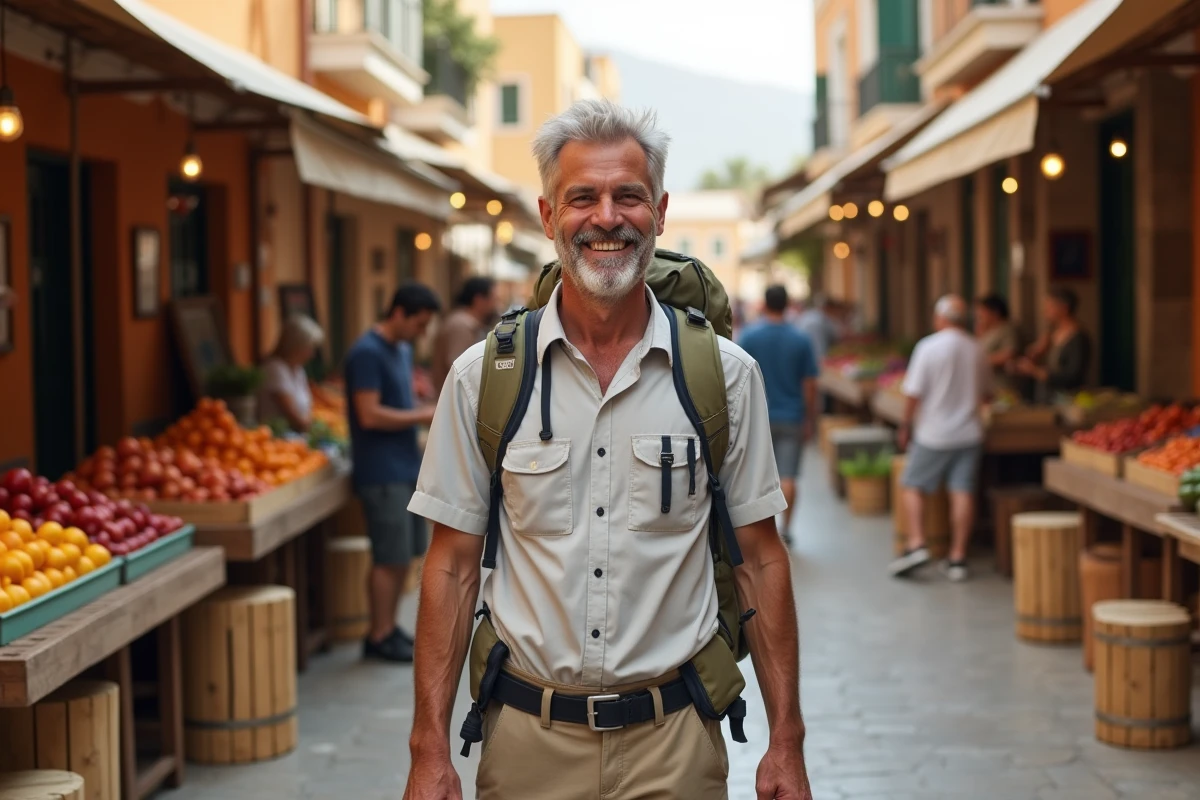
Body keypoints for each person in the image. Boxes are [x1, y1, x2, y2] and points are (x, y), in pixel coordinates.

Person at [404, 100, 812, 800]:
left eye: (628, 195)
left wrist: (787, 743)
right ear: (547, 215)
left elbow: (761, 560)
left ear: (659, 211)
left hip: (675, 744)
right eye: (581, 197)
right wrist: (427, 748)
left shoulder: (725, 376)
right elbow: (451, 566)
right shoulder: (484, 378)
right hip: (528, 743)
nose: (606, 218)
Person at [344, 283, 441, 663]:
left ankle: (388, 627)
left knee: (404, 555)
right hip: (380, 472)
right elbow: (368, 414)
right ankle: (378, 634)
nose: (423, 333)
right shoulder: (366, 353)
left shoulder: (401, 350)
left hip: (403, 467)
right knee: (388, 556)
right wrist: (422, 414)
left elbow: (399, 401)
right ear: (398, 312)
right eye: (419, 324)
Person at [890, 295, 992, 583]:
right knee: (963, 490)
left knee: (912, 484)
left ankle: (917, 543)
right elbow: (988, 394)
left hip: (933, 433)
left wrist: (905, 424)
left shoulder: (928, 347)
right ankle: (958, 557)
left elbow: (913, 393)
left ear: (940, 318)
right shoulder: (977, 348)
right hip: (969, 432)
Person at [738, 284, 819, 546]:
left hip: (756, 416)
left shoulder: (749, 337)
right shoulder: (800, 339)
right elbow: (809, 384)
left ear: (765, 303)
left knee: (756, 476)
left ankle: (764, 529)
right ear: (786, 305)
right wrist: (809, 418)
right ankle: (786, 530)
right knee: (789, 476)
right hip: (791, 415)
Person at [1015, 287, 1091, 401]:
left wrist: (1035, 371)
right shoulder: (1052, 335)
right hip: (1047, 398)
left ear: (1064, 308)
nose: (1045, 311)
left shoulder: (1079, 339)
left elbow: (1073, 377)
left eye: (1050, 306)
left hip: (1067, 401)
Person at [258, 314, 324, 433]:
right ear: (296, 345)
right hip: (278, 439)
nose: (312, 354)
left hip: (296, 440)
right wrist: (314, 427)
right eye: (310, 348)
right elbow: (292, 416)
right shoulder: (275, 369)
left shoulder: (298, 370)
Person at [431, 276, 497, 392]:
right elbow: (462, 370)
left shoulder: (468, 324)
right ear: (479, 299)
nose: (495, 305)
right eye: (493, 299)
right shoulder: (461, 325)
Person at [974, 293, 1020, 394]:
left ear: (995, 312)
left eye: (983, 312)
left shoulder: (1006, 329)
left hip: (1002, 386)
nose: (979, 315)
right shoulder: (987, 331)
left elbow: (1009, 353)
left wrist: (982, 360)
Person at [794, 292, 840, 364]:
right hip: (816, 357)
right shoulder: (821, 320)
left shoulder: (809, 315)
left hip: (802, 355)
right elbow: (834, 337)